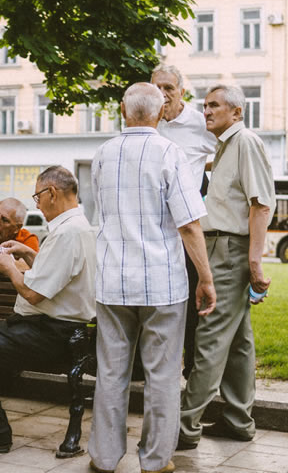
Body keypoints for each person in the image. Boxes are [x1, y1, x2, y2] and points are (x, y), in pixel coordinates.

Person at [88, 82, 216, 473]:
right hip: (162, 282)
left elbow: (101, 219)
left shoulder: (103, 154)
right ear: (161, 112)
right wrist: (206, 279)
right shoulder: (170, 153)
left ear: (123, 110)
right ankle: (156, 460)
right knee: (162, 375)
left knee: (111, 372)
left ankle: (105, 458)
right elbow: (190, 224)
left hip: (112, 280)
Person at [0, 166, 96, 455]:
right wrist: (29, 254)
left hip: (54, 333)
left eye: (38, 196)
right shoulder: (79, 227)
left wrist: (2, 264)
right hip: (56, 328)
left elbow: (32, 293)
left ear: (52, 193)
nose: (36, 203)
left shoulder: (67, 233)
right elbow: (59, 273)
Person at [178, 85, 276, 451]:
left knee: (210, 336)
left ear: (237, 111)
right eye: (204, 106)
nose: (206, 111)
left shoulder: (244, 142)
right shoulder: (225, 146)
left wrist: (255, 263)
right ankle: (238, 420)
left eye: (215, 106)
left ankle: (185, 426)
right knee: (237, 341)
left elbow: (261, 204)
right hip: (221, 244)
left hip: (230, 249)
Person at [151, 64, 217, 379]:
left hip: (185, 228)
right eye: (157, 88)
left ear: (181, 92)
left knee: (192, 301)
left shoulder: (198, 123)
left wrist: (202, 181)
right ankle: (152, 367)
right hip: (151, 230)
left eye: (169, 88)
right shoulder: (147, 122)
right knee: (155, 303)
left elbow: (226, 152)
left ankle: (191, 370)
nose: (162, 95)